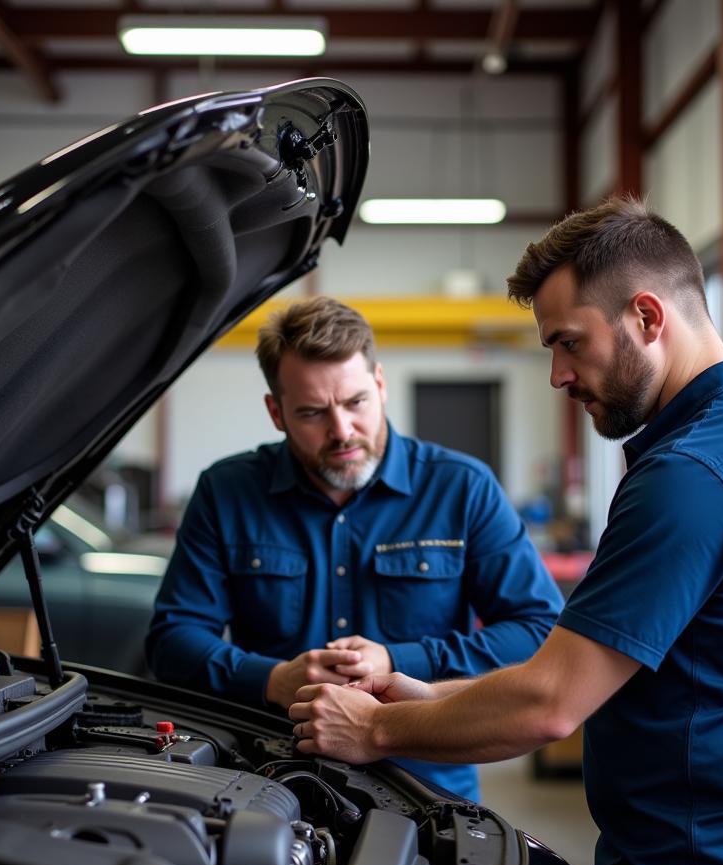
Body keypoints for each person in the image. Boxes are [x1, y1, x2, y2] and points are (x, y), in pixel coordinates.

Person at [289, 198, 723, 865]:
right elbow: (605, 669)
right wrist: (428, 698)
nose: (559, 375)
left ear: (646, 315)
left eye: (569, 343)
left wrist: (374, 731)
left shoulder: (690, 476)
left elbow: (551, 704)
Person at [146, 295, 563, 803]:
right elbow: (171, 640)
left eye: (356, 402)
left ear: (381, 385)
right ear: (276, 413)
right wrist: (272, 679)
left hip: (428, 786)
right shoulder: (226, 492)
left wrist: (399, 659)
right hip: (270, 781)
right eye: (312, 412)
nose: (341, 431)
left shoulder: (462, 488)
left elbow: (540, 634)